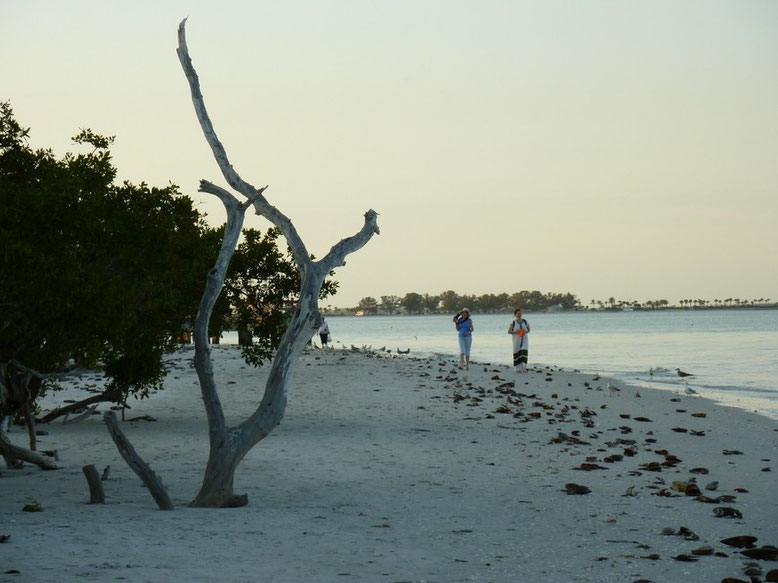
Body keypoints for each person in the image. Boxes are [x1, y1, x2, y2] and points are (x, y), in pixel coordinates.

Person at [508, 308, 530, 373]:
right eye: (518, 313)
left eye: (520, 313)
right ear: (515, 314)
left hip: (525, 340)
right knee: (517, 353)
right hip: (516, 341)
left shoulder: (525, 321)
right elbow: (509, 331)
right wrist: (517, 332)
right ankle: (517, 369)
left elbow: (529, 330)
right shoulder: (513, 322)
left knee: (524, 352)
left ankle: (524, 368)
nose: (519, 314)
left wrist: (525, 331)